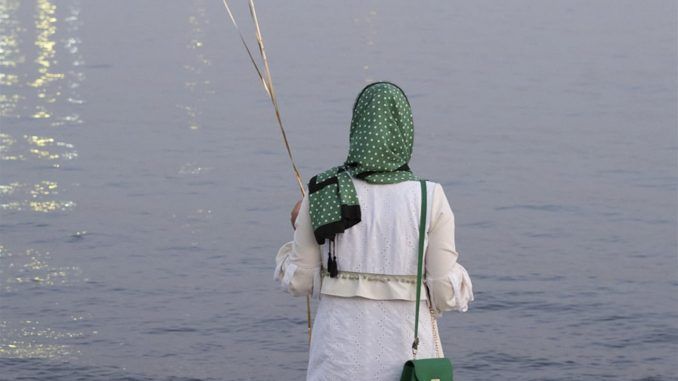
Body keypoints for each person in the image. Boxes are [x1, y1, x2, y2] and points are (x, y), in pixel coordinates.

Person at [275, 81, 474, 381]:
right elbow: (446, 294)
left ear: (356, 129)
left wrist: (298, 233)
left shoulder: (323, 193)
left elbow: (298, 282)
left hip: (337, 361)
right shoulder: (430, 197)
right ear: (405, 132)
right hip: (410, 361)